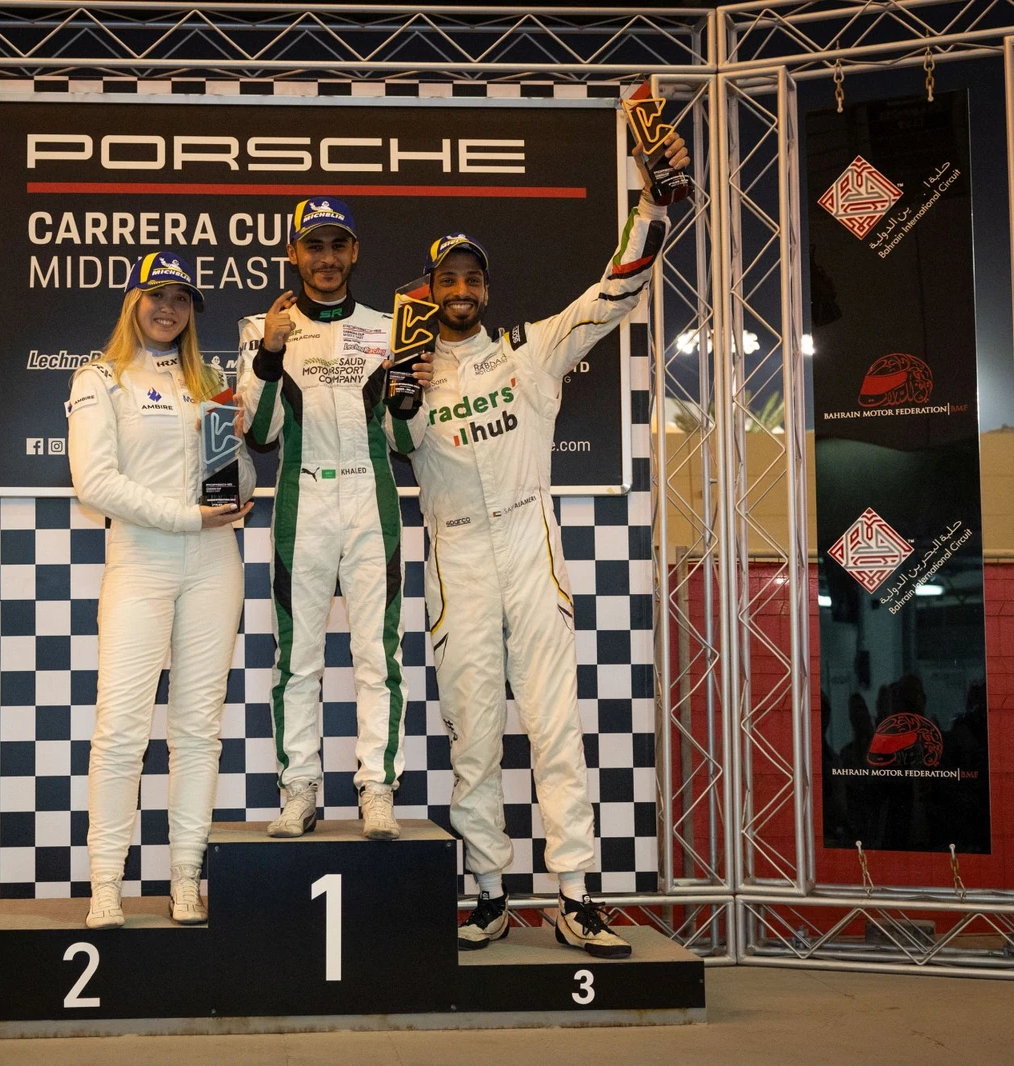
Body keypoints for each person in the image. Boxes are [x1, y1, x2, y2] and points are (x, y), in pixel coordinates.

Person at [389, 134, 691, 957]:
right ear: (429, 291)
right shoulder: (406, 374)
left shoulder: (533, 347)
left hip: (531, 541)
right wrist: (399, 393)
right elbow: (389, 445)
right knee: (474, 736)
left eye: (472, 278)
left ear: (487, 289)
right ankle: (488, 895)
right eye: (446, 279)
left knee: (557, 726)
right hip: (454, 554)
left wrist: (652, 203)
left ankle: (577, 897)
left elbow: (617, 289)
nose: (460, 290)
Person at [67, 251, 256, 929]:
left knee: (198, 732)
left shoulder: (210, 382)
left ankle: (186, 879)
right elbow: (95, 483)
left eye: (181, 299)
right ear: (133, 301)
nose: (169, 309)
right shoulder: (100, 378)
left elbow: (235, 485)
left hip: (214, 564)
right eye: (157, 296)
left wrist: (236, 461)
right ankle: (106, 886)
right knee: (121, 731)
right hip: (141, 562)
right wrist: (187, 517)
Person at [236, 198, 406, 841]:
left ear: (354, 251)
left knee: (377, 656)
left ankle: (377, 790)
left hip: (370, 498)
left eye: (338, 244)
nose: (326, 258)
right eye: (314, 245)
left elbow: (404, 441)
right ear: (294, 254)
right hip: (300, 500)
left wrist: (405, 393)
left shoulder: (389, 328)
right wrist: (270, 354)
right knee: (297, 659)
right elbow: (258, 434)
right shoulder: (263, 327)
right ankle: (299, 789)